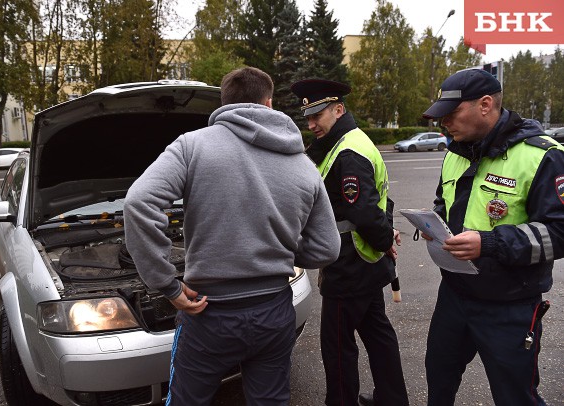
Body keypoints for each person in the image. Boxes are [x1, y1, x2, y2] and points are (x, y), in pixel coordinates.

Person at [123, 67, 340, 406]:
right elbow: (327, 247)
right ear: (268, 104)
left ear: (224, 103)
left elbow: (139, 203)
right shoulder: (303, 164)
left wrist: (168, 285)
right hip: (274, 310)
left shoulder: (191, 146)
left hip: (209, 312)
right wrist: (279, 247)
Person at [422, 68, 564, 406]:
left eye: (452, 114)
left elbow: (559, 232)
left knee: (515, 395)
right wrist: (433, 224)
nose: (444, 124)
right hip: (455, 294)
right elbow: (445, 203)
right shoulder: (455, 151)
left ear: (486, 104)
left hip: (510, 305)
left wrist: (489, 243)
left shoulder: (542, 155)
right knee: (438, 378)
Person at [291, 79, 409, 406]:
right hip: (365, 263)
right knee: (378, 336)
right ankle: (392, 398)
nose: (311, 123)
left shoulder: (349, 151)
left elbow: (364, 211)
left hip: (350, 266)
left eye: (317, 115)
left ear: (338, 109)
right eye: (307, 117)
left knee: (338, 347)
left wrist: (385, 238)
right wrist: (383, 238)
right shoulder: (348, 142)